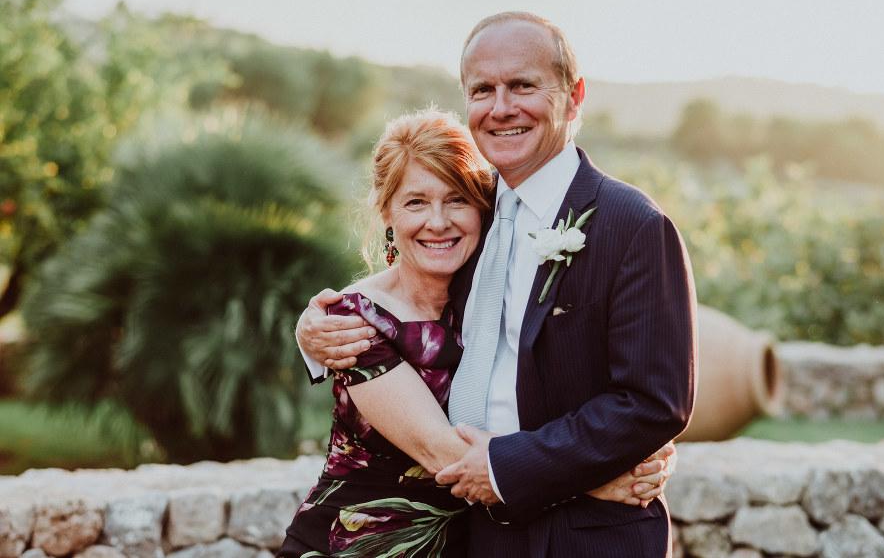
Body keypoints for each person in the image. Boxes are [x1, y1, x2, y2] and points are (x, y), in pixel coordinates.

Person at [278, 109, 673, 558]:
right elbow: (443, 454)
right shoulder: (357, 320)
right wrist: (599, 479)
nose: (438, 221)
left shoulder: (493, 305)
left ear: (484, 209)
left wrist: (626, 448)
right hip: (351, 545)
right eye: (415, 202)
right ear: (386, 212)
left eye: (457, 200)